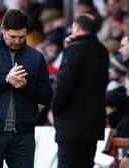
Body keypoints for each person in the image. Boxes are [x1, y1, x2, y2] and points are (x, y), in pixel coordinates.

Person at [0, 9, 52, 168]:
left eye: (22, 37)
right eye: (12, 37)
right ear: (2, 29)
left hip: (24, 133)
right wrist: (6, 80)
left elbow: (46, 96)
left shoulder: (37, 57)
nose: (17, 41)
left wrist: (25, 87)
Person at [52, 13, 109, 168]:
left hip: (72, 125)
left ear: (76, 27)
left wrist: (55, 109)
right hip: (93, 125)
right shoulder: (102, 51)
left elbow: (64, 86)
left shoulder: (74, 50)